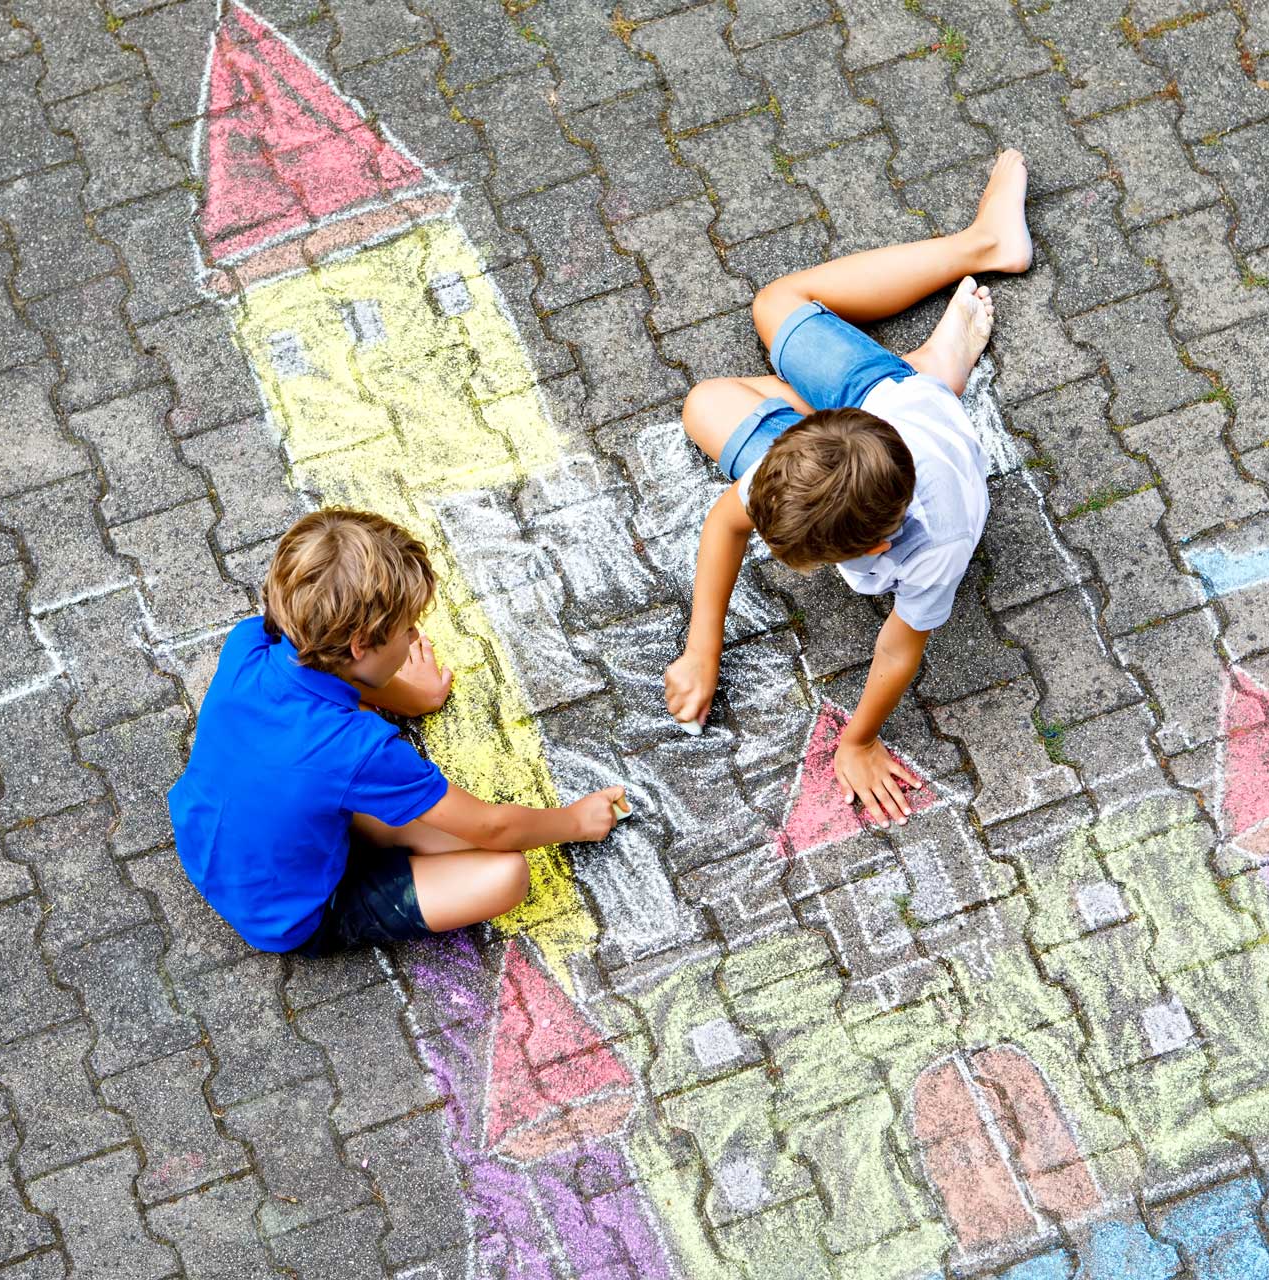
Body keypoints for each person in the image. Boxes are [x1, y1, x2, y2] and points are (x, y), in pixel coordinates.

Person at [663, 151, 1033, 828]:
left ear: (879, 542)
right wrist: (701, 647)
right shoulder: (802, 472)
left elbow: (898, 646)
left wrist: (858, 740)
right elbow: (727, 521)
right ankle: (949, 321)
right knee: (754, 334)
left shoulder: (937, 542)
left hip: (904, 413)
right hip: (876, 404)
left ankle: (958, 312)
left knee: (741, 373)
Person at [168, 508, 625, 954]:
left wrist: (418, 698)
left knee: (393, 808)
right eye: (407, 629)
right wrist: (575, 822)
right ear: (360, 644)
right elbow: (494, 826)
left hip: (208, 843)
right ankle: (355, 872)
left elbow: (342, 681)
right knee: (507, 874)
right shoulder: (357, 749)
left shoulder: (247, 642)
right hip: (288, 916)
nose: (412, 639)